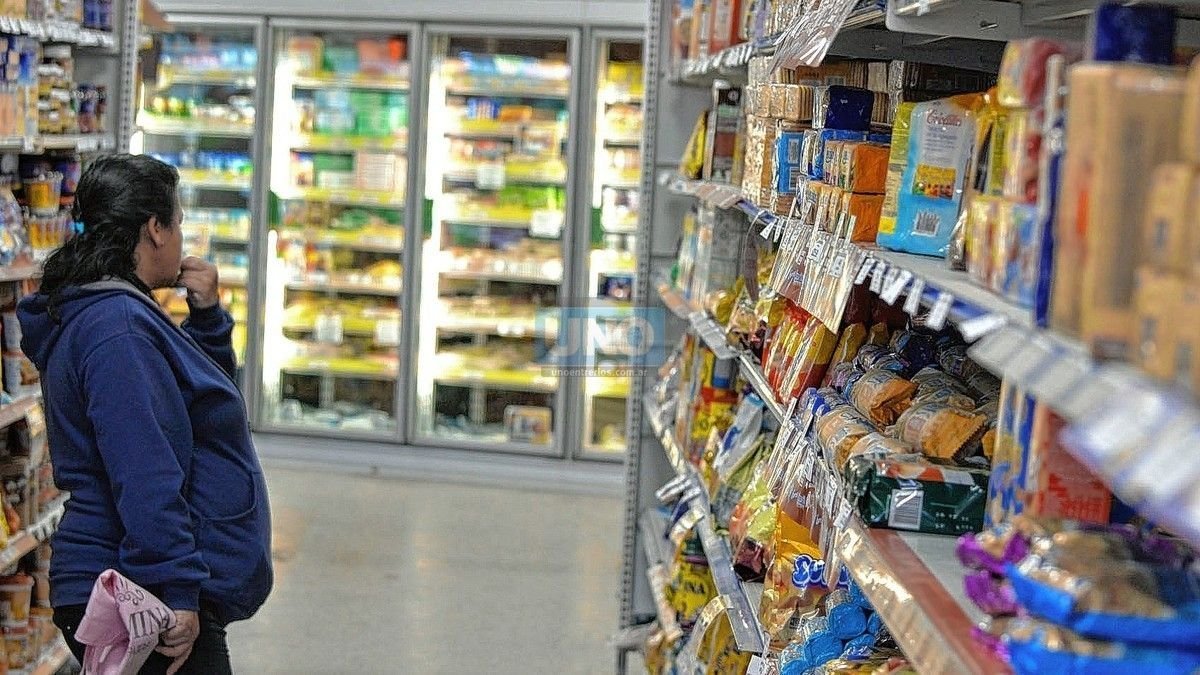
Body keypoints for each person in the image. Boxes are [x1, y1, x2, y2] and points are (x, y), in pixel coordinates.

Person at [17, 154, 273, 674]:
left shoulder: (116, 311)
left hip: (138, 579)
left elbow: (189, 414)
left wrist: (207, 320)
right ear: (155, 229)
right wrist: (173, 585)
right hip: (140, 590)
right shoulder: (118, 329)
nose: (181, 238)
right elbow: (143, 469)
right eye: (177, 223)